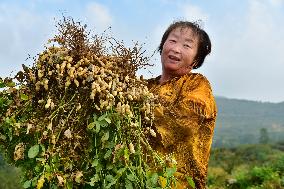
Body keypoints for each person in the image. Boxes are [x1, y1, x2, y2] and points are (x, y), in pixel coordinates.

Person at [148, 21, 217, 189]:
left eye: (187, 45)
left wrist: (135, 114)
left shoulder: (198, 85)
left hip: (178, 183)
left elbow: (181, 123)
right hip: (139, 179)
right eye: (172, 41)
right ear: (162, 46)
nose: (176, 48)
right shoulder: (146, 87)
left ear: (196, 60)